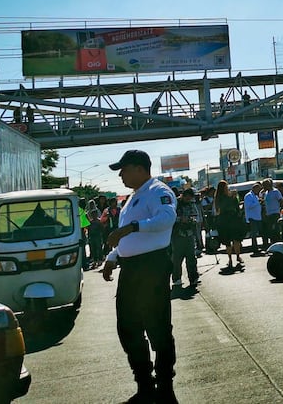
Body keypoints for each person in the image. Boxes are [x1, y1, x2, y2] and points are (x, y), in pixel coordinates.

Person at [102, 150, 178, 404]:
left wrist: (131, 227)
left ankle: (164, 383)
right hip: (132, 268)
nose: (121, 175)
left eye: (123, 170)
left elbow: (167, 218)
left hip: (152, 266)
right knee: (128, 326)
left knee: (157, 326)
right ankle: (144, 382)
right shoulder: (133, 197)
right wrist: (113, 257)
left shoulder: (158, 191)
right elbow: (129, 239)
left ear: (138, 168)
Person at [172, 188, 201, 288]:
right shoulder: (174, 203)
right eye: (187, 198)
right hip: (177, 235)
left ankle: (193, 278)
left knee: (191, 258)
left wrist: (193, 220)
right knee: (177, 258)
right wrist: (180, 219)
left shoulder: (191, 204)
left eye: (190, 198)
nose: (189, 200)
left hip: (189, 234)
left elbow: (197, 217)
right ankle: (177, 278)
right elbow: (170, 217)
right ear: (183, 196)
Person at [214, 180, 245, 269]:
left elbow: (236, 206)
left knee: (235, 239)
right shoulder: (222, 197)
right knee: (230, 240)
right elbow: (221, 208)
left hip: (230, 219)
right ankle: (232, 258)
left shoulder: (225, 197)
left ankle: (236, 256)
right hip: (227, 219)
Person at [260, 179, 283, 248]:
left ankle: (278, 244)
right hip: (268, 215)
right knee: (270, 231)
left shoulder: (276, 192)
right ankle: (273, 244)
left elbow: (281, 201)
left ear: (269, 185)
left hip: (275, 214)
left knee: (276, 230)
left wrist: (281, 210)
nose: (263, 187)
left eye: (264, 185)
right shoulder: (266, 193)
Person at [243, 182, 264, 255]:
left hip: (257, 217)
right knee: (254, 234)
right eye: (258, 189)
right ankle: (254, 248)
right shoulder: (248, 196)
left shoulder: (255, 196)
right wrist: (257, 202)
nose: (259, 191)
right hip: (252, 217)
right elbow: (249, 206)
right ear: (254, 188)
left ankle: (258, 246)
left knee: (258, 232)